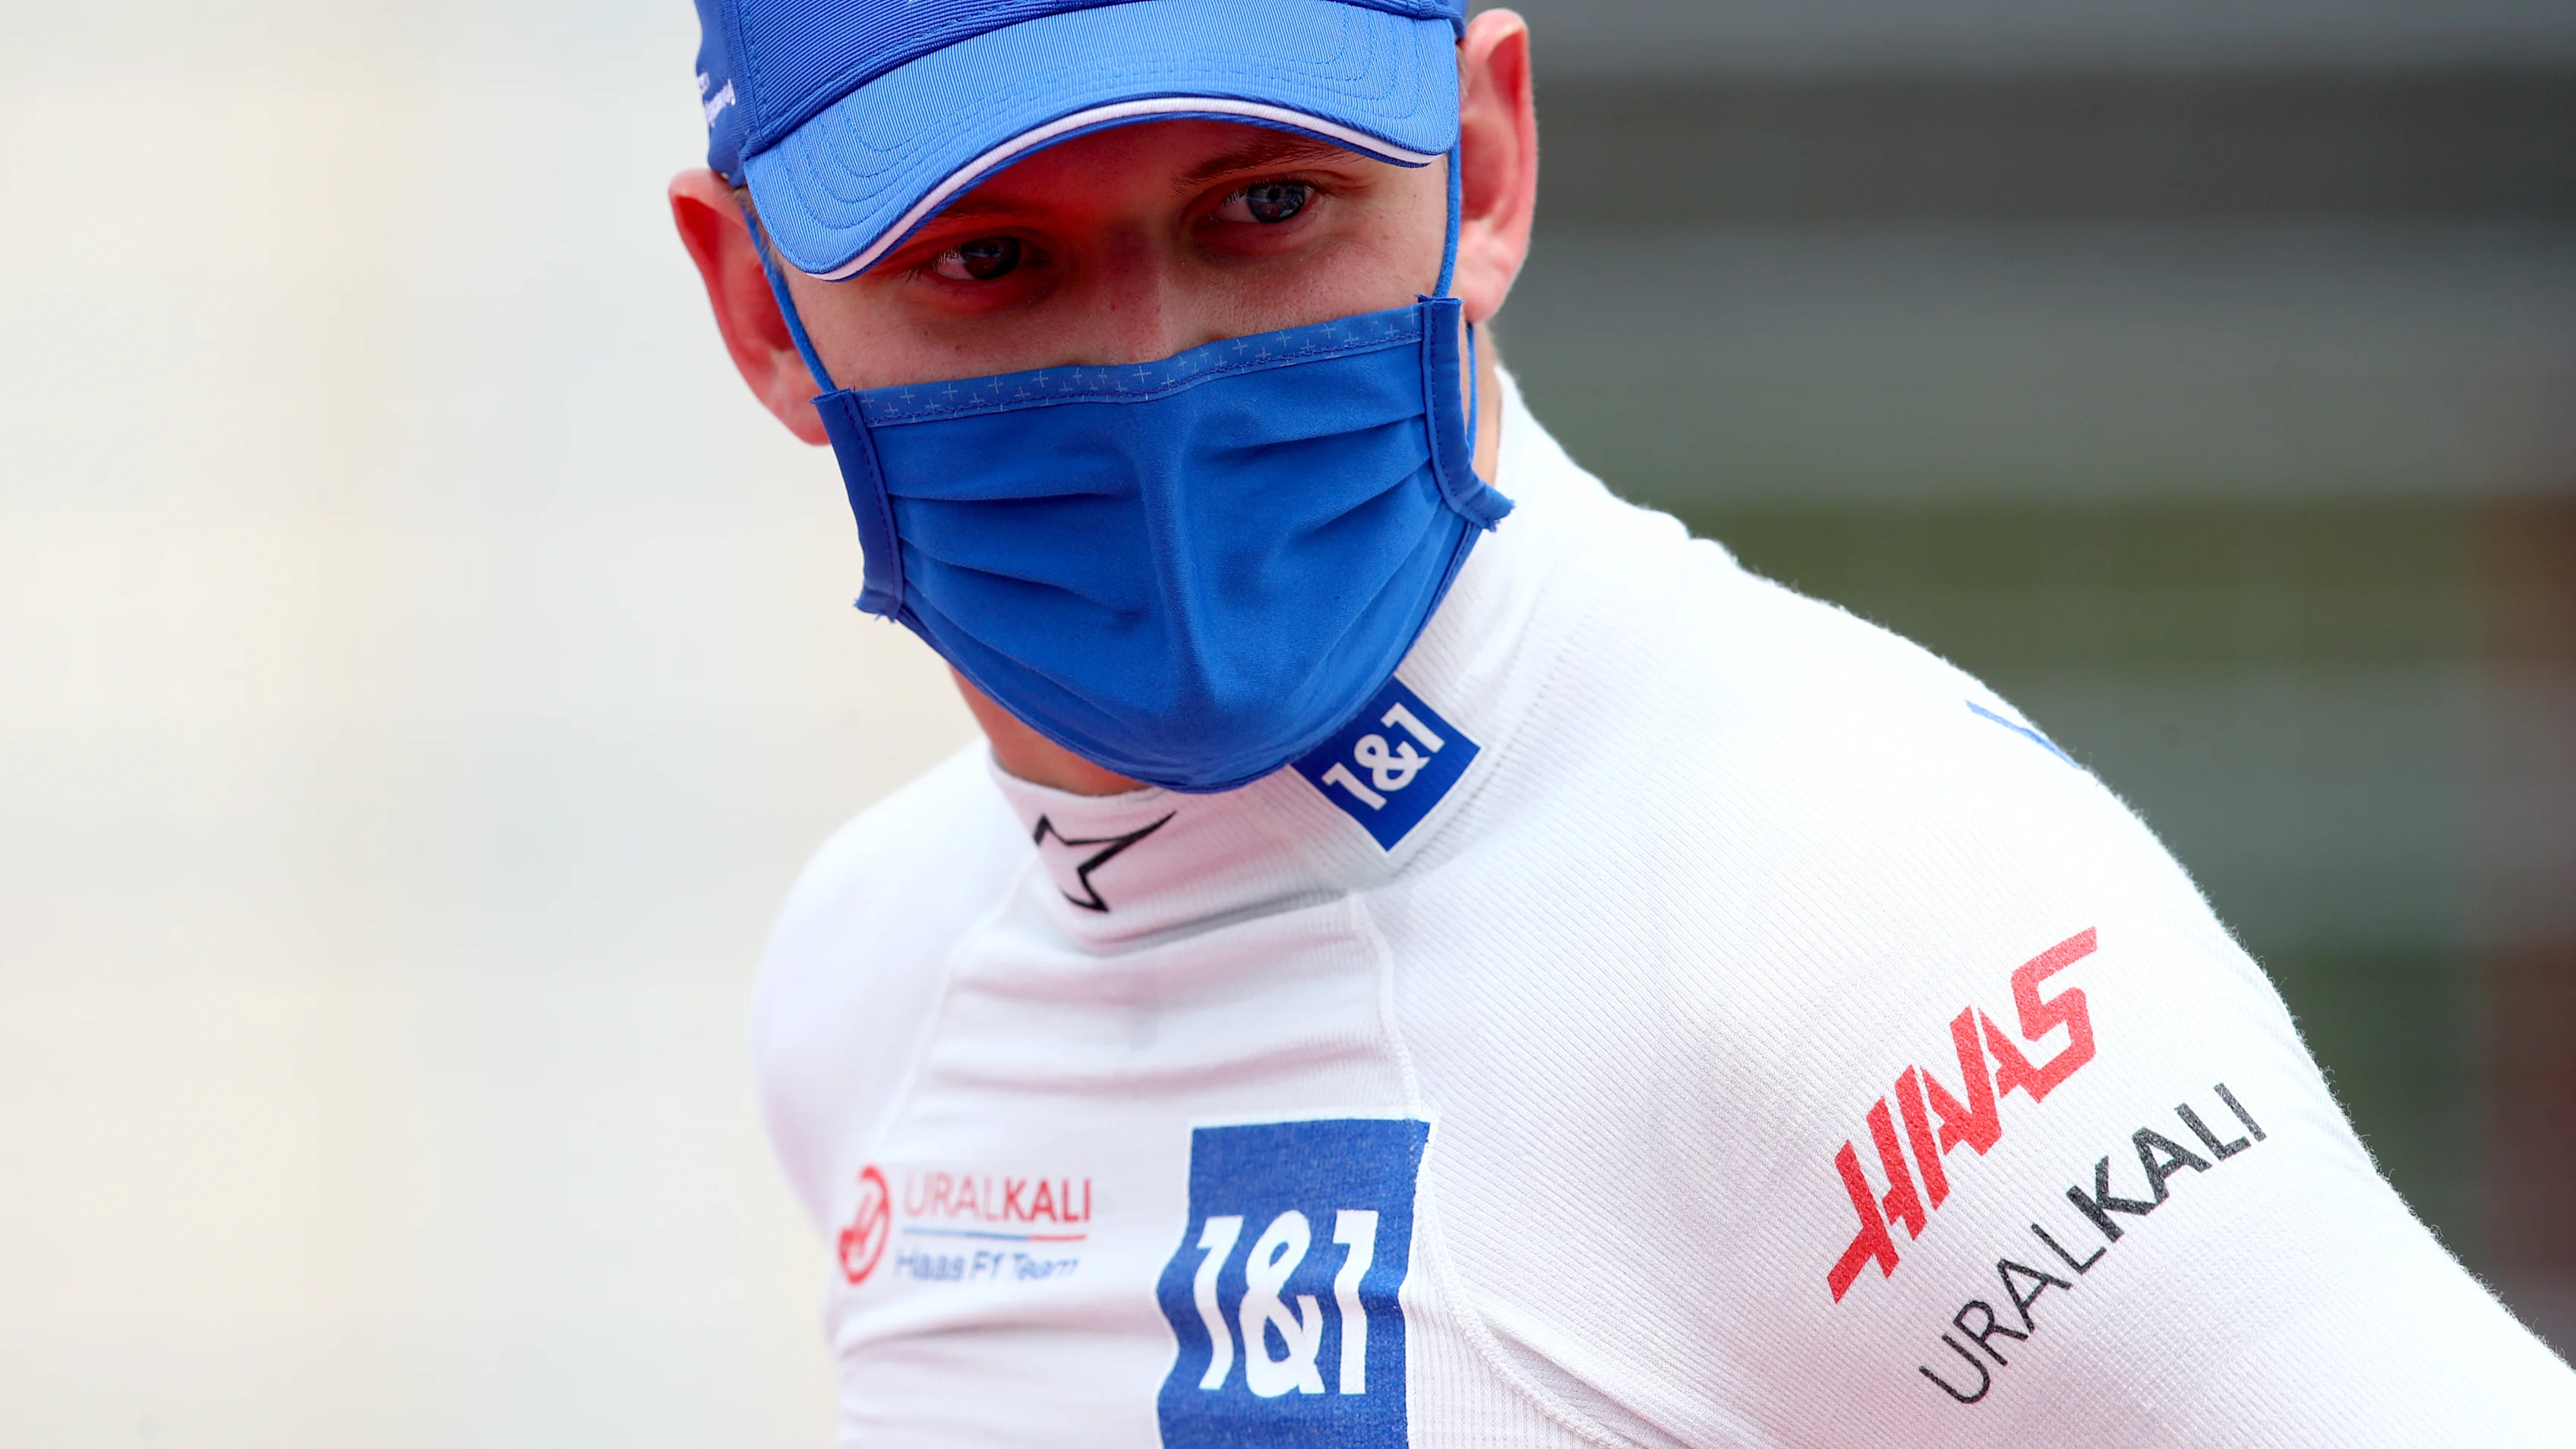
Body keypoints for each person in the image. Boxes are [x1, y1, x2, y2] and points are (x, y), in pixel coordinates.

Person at [669, 2, 2576, 1444]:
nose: (1153, 365)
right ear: (762, 312)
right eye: (987, 256)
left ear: (1482, 166)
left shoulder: (1844, 902)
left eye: (1266, 206)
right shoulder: (868, 965)